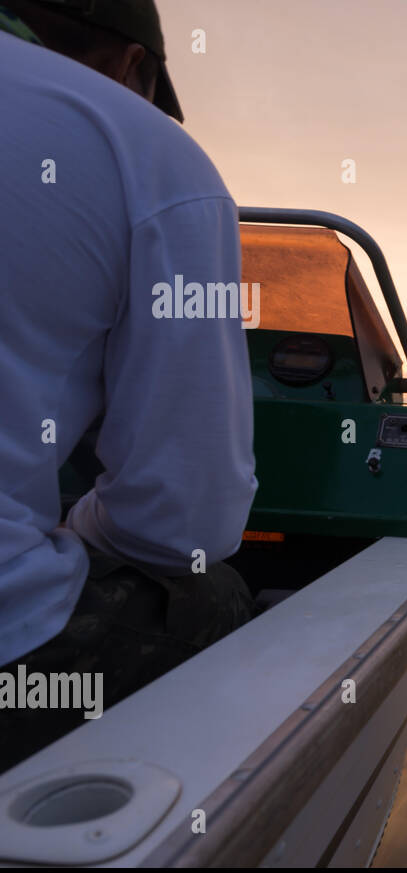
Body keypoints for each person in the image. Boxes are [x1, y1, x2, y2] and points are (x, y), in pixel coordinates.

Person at [0, 0, 258, 773]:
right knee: (214, 599)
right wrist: (74, 528)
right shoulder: (148, 152)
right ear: (133, 67)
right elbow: (185, 524)